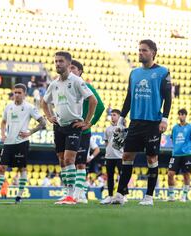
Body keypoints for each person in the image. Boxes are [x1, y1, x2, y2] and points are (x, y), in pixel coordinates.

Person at [111, 39, 172, 206]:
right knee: (126, 156)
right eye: (139, 50)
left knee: (152, 158)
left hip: (153, 122)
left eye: (144, 50)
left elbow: (168, 98)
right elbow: (129, 97)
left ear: (153, 52)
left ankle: (149, 197)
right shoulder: (134, 73)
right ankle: (120, 194)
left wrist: (165, 119)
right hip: (135, 122)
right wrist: (122, 118)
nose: (140, 53)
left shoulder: (163, 72)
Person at [42, 51, 97, 205]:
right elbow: (44, 102)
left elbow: (93, 101)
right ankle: (68, 193)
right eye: (56, 61)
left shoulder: (77, 81)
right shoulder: (54, 84)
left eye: (60, 61)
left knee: (69, 159)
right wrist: (49, 116)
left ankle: (72, 195)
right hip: (59, 125)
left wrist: (87, 122)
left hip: (74, 125)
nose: (57, 64)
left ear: (68, 63)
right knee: (62, 160)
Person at [0, 83, 46, 203]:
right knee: (1, 167)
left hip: (22, 142)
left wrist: (30, 132)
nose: (17, 95)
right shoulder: (8, 107)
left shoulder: (29, 107)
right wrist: (3, 134)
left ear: (25, 94)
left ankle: (19, 196)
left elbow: (43, 122)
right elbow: (3, 122)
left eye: (20, 93)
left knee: (22, 168)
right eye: (15, 92)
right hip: (8, 143)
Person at [69, 59, 104, 204]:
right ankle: (70, 194)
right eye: (69, 69)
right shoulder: (65, 87)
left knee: (80, 164)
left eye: (73, 69)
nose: (70, 71)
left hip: (82, 132)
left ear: (80, 71)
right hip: (68, 130)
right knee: (67, 162)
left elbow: (100, 106)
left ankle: (80, 194)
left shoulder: (86, 86)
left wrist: (89, 123)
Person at [167, 109, 191, 202]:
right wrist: (178, 147)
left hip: (186, 154)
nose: (181, 116)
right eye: (179, 114)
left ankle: (183, 196)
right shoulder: (175, 128)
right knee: (170, 174)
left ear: (186, 116)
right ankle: (171, 196)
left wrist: (186, 147)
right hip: (175, 154)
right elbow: (172, 139)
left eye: (183, 114)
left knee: (186, 175)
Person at [100, 109, 128, 204]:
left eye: (114, 115)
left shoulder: (124, 128)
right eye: (111, 115)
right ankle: (110, 196)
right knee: (110, 176)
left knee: (123, 176)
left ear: (119, 117)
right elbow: (106, 142)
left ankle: (123, 195)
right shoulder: (107, 129)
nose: (112, 116)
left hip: (120, 156)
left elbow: (125, 143)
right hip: (109, 157)